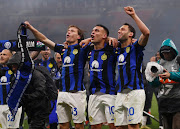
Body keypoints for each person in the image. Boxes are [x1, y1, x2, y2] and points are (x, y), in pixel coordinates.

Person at [24, 21, 90, 129]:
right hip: (63, 93)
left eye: (72, 31)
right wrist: (31, 28)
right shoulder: (62, 49)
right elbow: (44, 39)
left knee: (78, 126)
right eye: (67, 31)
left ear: (78, 36)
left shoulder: (83, 48)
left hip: (77, 93)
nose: (68, 32)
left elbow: (100, 41)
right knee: (63, 125)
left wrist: (89, 40)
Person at [114, 6, 150, 129]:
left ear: (131, 34)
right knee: (119, 127)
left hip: (134, 91)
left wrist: (133, 15)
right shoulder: (117, 49)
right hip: (120, 92)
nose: (119, 31)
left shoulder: (136, 47)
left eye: (122, 29)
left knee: (132, 126)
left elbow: (146, 33)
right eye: (118, 29)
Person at [86, 24, 117, 129]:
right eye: (92, 30)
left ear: (104, 36)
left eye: (97, 31)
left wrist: (109, 38)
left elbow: (121, 43)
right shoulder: (88, 50)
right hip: (93, 94)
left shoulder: (111, 49)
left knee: (113, 126)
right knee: (94, 126)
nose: (93, 32)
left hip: (110, 93)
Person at [150, 38, 180, 129]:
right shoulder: (159, 63)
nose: (166, 54)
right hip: (163, 100)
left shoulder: (178, 61)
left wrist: (170, 75)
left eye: (168, 52)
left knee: (176, 126)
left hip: (177, 99)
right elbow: (153, 84)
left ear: (173, 51)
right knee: (166, 127)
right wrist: (153, 78)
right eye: (164, 53)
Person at [0, 49, 23, 129]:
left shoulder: (16, 70)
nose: (1, 56)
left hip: (13, 106)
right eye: (1, 54)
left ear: (10, 57)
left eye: (4, 54)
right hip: (1, 105)